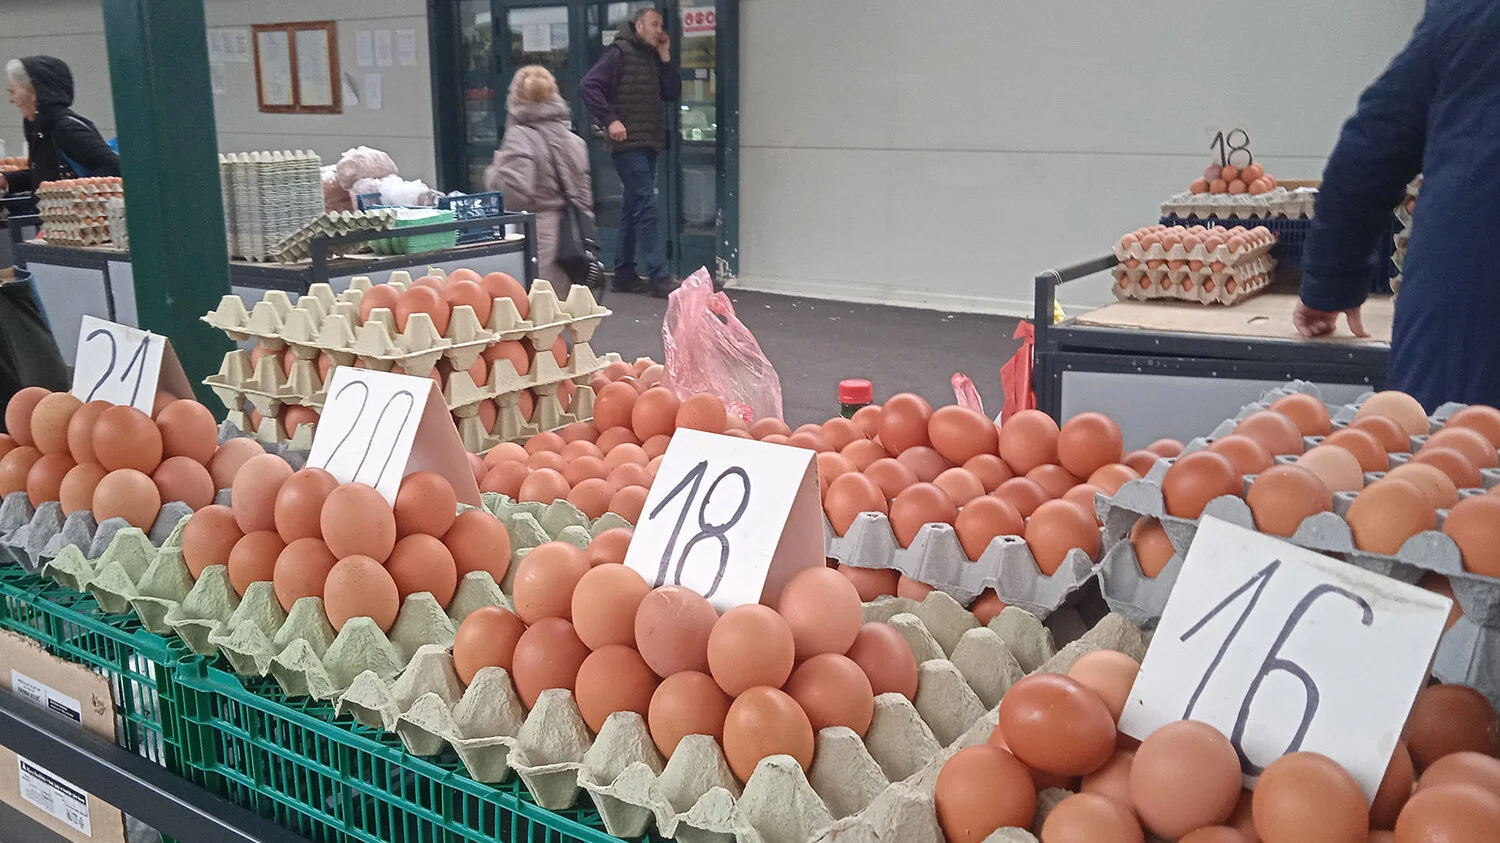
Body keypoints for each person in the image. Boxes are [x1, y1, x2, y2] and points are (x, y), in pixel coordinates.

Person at [1295, 0, 1500, 411]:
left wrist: (1332, 282)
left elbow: (1371, 149)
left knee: (1445, 443)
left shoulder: (1470, 14)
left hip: (1469, 310)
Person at [581, 8, 682, 297]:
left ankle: (624, 273)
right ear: (639, 26)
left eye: (661, 25)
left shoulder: (652, 56)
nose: (659, 30)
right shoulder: (618, 53)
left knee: (632, 206)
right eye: (654, 24)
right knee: (646, 206)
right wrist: (610, 119)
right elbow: (589, 85)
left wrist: (665, 55)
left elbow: (672, 92)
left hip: (648, 142)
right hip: (628, 144)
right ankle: (658, 275)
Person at [485, 66, 594, 298]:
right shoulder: (574, 141)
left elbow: (513, 194)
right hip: (573, 242)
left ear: (515, 98)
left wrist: (494, 171)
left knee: (538, 310)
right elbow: (585, 197)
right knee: (569, 310)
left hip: (538, 241)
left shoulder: (519, 137)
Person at [1, 56, 121, 198]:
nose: (11, 100)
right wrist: (6, 179)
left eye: (13, 92)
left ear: (33, 92)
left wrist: (80, 196)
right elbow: (45, 177)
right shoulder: (38, 127)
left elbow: (113, 166)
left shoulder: (66, 128)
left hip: (75, 211)